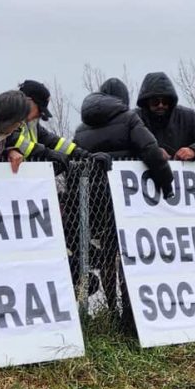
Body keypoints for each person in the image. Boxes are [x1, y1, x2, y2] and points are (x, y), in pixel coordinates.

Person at [72, 78, 175, 321]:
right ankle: (131, 311)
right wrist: (167, 184)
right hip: (126, 200)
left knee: (107, 256)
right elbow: (150, 150)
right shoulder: (129, 119)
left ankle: (110, 311)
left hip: (95, 201)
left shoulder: (81, 128)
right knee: (131, 256)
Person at [10, 79, 112, 174]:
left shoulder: (32, 125)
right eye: (39, 109)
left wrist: (85, 155)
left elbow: (55, 142)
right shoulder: (8, 117)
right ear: (28, 101)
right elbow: (16, 141)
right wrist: (48, 154)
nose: (40, 115)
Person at [135, 71, 195, 161]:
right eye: (155, 102)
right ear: (147, 102)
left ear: (171, 102)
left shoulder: (188, 117)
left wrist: (193, 150)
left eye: (165, 101)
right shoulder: (134, 118)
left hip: (183, 172)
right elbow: (121, 145)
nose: (160, 105)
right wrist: (150, 152)